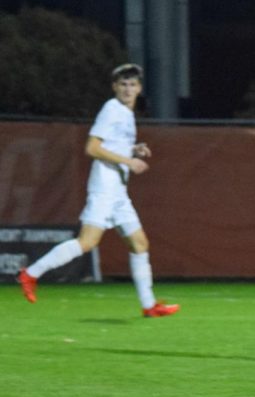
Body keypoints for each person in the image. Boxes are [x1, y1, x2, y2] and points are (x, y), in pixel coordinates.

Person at [17, 63, 179, 318]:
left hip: (118, 191)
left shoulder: (125, 113)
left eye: (132, 85)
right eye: (123, 84)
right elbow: (92, 148)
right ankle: (30, 274)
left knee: (139, 243)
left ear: (139, 88)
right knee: (87, 242)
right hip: (104, 187)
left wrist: (133, 149)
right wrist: (129, 161)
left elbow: (112, 145)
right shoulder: (111, 109)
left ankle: (149, 306)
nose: (127, 89)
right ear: (114, 87)